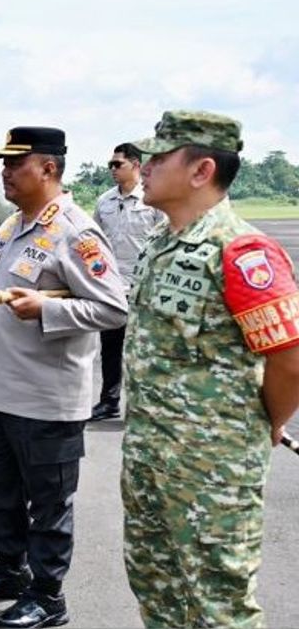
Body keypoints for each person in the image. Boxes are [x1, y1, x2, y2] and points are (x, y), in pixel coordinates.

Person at [122, 110, 299, 628]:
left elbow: (289, 357)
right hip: (152, 459)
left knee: (218, 603)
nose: (144, 166)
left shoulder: (241, 252)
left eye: (158, 157)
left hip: (213, 469)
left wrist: (268, 420)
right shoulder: (162, 242)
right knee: (157, 586)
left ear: (201, 171)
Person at [0, 127, 127, 628]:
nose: (5, 173)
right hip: (3, 392)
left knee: (48, 504)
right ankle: (9, 570)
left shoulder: (76, 231)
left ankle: (48, 596)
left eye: (15, 163)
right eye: (3, 164)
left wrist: (47, 311)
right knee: (2, 491)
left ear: (48, 169)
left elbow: (114, 307)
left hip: (46, 399)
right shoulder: (14, 225)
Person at [89, 143, 164, 421]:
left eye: (117, 164)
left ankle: (143, 405)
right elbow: (93, 242)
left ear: (135, 165)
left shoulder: (153, 200)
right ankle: (109, 401)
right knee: (110, 348)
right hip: (112, 286)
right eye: (110, 164)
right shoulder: (105, 201)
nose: (112, 169)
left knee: (143, 349)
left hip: (144, 286)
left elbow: (165, 239)